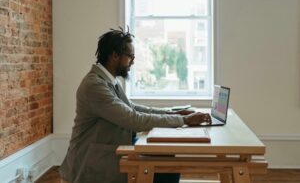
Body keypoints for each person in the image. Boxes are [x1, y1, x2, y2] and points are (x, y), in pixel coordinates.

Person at [59, 27, 212, 183]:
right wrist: (184, 121)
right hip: (89, 163)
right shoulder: (94, 85)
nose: (133, 61)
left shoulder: (109, 80)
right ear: (114, 55)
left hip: (107, 151)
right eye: (130, 56)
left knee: (167, 160)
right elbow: (133, 119)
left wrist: (175, 114)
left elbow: (132, 108)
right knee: (166, 166)